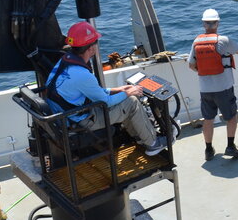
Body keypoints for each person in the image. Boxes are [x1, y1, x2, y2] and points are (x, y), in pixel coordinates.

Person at [45, 21, 167, 156]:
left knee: (124, 100)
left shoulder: (64, 61)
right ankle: (153, 144)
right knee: (131, 102)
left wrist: (119, 89)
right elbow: (105, 102)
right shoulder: (83, 75)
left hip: (65, 117)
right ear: (91, 48)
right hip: (80, 122)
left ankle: (139, 137)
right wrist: (128, 92)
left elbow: (93, 92)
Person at [188, 8, 238, 161]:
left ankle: (208, 149)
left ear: (204, 24)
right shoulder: (223, 41)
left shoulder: (196, 41)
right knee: (231, 117)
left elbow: (191, 65)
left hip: (205, 89)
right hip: (224, 88)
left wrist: (205, 71)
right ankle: (230, 147)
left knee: (208, 119)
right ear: (217, 23)